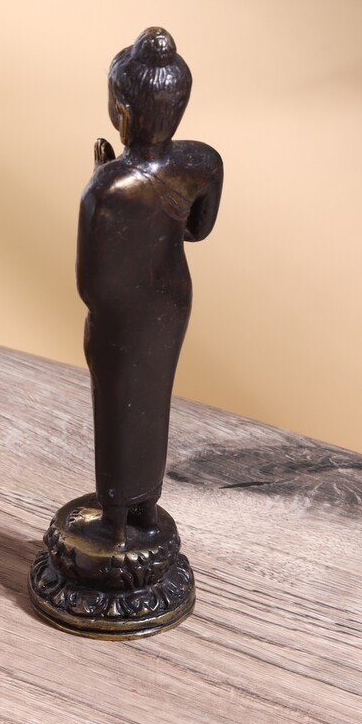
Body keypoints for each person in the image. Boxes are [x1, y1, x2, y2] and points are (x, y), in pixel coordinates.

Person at [76, 27, 223, 549]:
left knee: (119, 403)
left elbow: (90, 282)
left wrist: (106, 176)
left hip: (121, 313)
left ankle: (115, 520)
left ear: (122, 112)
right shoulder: (201, 162)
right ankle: (146, 508)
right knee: (152, 401)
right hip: (170, 299)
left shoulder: (108, 188)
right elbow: (196, 229)